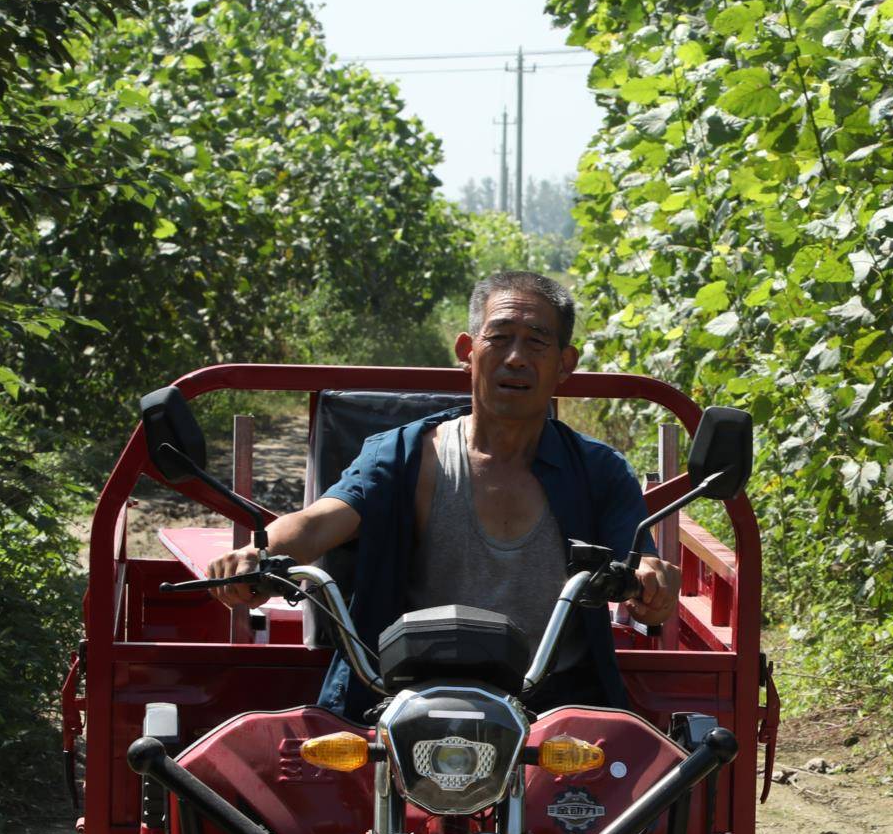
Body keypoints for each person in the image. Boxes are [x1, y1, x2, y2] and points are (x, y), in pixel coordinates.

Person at [204, 270, 679, 718]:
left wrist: (652, 584)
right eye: (499, 338)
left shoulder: (599, 472)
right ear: (467, 350)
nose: (516, 357)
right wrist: (258, 554)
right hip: (404, 697)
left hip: (554, 706)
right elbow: (322, 518)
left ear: (564, 365)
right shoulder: (404, 455)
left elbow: (641, 563)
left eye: (536, 341)